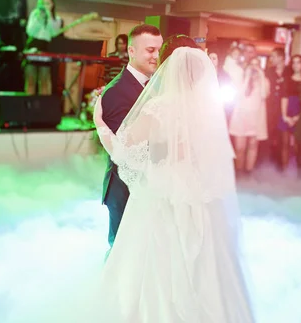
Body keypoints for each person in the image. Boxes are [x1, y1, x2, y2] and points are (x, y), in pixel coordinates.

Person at [93, 46, 254, 322]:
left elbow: (126, 148)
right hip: (196, 189)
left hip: (162, 186)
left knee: (153, 252)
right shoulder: (207, 110)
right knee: (197, 253)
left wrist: (100, 123)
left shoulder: (158, 107)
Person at [98, 24, 163, 248]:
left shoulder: (155, 86)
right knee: (123, 253)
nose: (156, 56)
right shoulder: (117, 91)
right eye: (150, 50)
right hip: (126, 190)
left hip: (151, 186)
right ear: (131, 51)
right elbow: (123, 150)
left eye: (158, 50)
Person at [24, 0, 63, 95]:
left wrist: (49, 15)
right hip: (33, 46)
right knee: (31, 79)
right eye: (44, 3)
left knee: (44, 79)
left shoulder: (56, 19)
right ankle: (29, 104)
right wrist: (39, 18)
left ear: (52, 4)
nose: (46, 6)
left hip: (46, 47)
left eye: (48, 3)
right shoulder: (34, 15)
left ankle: (44, 105)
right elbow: (30, 31)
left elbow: (53, 33)